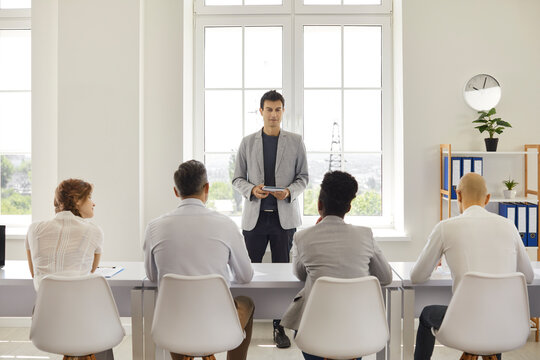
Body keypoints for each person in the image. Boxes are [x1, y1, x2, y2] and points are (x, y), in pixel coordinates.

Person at [410, 173, 534, 360]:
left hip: (465, 324)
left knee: (427, 313)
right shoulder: (509, 226)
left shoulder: (445, 228)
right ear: (488, 198)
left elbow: (417, 277)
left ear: (458, 195)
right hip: (506, 324)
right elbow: (529, 276)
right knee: (494, 315)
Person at [144, 160, 254, 360]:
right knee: (246, 302)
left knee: (176, 309)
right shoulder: (226, 225)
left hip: (173, 324)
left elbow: (152, 276)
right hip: (217, 324)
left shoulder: (154, 227)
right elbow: (246, 276)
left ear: (176, 192)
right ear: (207, 188)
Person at [280, 171, 393, 360]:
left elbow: (300, 274)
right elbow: (385, 277)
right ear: (348, 208)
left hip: (315, 335)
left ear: (319, 205)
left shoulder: (303, 237)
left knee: (307, 327)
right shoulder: (365, 235)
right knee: (350, 338)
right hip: (357, 333)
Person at [232, 90, 309, 348]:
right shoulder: (247, 143)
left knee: (285, 275)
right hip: (254, 219)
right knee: (247, 274)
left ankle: (280, 327)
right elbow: (237, 178)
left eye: (278, 110)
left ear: (283, 111)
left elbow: (304, 178)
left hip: (283, 219)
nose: (273, 114)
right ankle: (243, 325)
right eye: (269, 109)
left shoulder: (296, 142)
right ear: (261, 111)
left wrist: (290, 192)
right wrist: (252, 190)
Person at [26, 178, 113, 360]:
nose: (93, 203)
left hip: (45, 320)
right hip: (80, 318)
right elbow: (90, 271)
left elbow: (36, 273)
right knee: (99, 317)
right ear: (76, 200)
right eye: (89, 197)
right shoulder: (94, 231)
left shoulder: (34, 229)